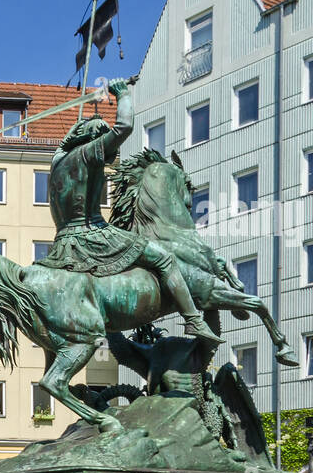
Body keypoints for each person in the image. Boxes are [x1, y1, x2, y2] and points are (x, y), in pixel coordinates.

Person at [35, 77, 223, 346]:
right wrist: (122, 93)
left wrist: (75, 131)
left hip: (62, 244)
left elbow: (65, 144)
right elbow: (124, 126)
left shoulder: (58, 161)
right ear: (94, 138)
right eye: (104, 140)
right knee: (165, 259)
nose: (111, 151)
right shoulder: (89, 153)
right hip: (92, 235)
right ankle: (193, 319)